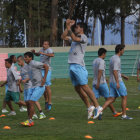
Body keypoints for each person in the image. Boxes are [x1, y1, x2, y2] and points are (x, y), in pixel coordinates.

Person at [61, 19, 102, 119]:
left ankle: (97, 107)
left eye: (77, 27)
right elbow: (63, 37)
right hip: (72, 65)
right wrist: (67, 26)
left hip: (78, 65)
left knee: (85, 87)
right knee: (77, 88)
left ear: (82, 29)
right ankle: (89, 107)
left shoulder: (83, 37)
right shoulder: (75, 37)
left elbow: (74, 38)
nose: (76, 28)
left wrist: (69, 27)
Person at [95, 44, 133, 120]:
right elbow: (115, 71)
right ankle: (124, 116)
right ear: (120, 50)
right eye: (123, 50)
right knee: (124, 97)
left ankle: (100, 110)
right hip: (117, 81)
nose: (123, 51)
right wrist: (118, 82)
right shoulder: (117, 59)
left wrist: (123, 75)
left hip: (112, 82)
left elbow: (115, 71)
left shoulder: (112, 58)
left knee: (112, 99)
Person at [92, 48, 122, 119]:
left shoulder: (94, 61)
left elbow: (97, 72)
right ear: (103, 54)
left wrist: (103, 78)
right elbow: (100, 71)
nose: (105, 55)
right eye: (105, 54)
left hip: (94, 82)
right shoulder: (102, 61)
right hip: (101, 83)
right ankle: (106, 111)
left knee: (94, 99)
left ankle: (91, 113)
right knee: (109, 98)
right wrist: (99, 82)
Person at [21, 52, 48, 127]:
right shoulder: (28, 66)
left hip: (40, 86)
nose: (25, 58)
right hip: (33, 86)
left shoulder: (34, 63)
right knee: (28, 103)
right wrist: (26, 79)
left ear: (30, 58)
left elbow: (46, 66)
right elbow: (33, 75)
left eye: (26, 57)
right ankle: (29, 120)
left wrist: (44, 79)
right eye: (24, 57)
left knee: (31, 102)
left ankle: (30, 121)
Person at [31, 41, 54, 111]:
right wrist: (34, 52)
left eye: (45, 44)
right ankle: (46, 100)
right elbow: (38, 54)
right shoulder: (41, 49)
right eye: (43, 44)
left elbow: (52, 55)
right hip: (41, 69)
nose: (43, 45)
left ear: (48, 45)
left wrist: (44, 53)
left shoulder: (49, 50)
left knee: (47, 86)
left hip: (47, 69)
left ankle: (50, 102)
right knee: (42, 85)